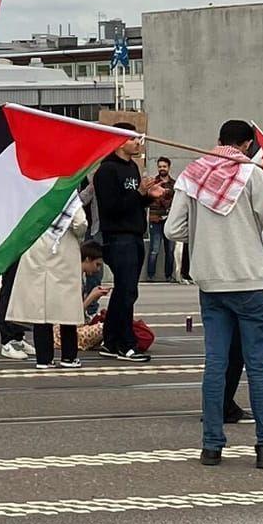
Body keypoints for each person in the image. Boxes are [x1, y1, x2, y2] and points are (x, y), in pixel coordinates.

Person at [164, 118, 263, 469]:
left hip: (211, 285)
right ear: (248, 146)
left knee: (215, 364)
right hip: (249, 283)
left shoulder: (193, 173)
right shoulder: (250, 174)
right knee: (257, 367)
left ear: (219, 140)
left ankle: (211, 445)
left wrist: (206, 238)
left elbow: (173, 228)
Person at [93, 125, 164, 361]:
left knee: (127, 291)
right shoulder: (106, 171)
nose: (138, 142)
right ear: (120, 141)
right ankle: (125, 343)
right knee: (125, 291)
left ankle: (111, 340)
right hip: (117, 237)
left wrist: (146, 197)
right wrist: (139, 194)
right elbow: (111, 208)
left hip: (134, 234)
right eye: (133, 138)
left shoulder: (133, 167)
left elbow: (131, 204)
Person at [8, 192, 88, 370]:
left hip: (37, 249)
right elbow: (80, 223)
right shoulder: (66, 192)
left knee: (40, 307)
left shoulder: (36, 190)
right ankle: (69, 357)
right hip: (62, 251)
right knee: (67, 308)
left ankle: (44, 359)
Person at [146, 157, 177, 282]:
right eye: (160, 166)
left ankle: (168, 275)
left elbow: (176, 202)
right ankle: (150, 275)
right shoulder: (153, 183)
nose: (162, 169)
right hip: (155, 219)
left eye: (164, 166)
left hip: (169, 220)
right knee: (154, 249)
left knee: (169, 250)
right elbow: (150, 199)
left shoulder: (174, 184)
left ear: (169, 168)